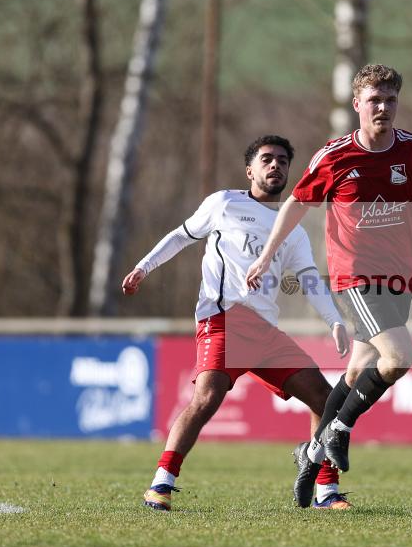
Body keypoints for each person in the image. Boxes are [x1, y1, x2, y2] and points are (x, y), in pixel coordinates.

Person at [245, 64, 412, 479]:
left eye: (390, 99)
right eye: (374, 100)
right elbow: (298, 203)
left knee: (360, 369)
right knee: (399, 357)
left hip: (400, 279)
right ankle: (338, 430)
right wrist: (268, 254)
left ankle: (311, 453)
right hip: (355, 276)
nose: (383, 107)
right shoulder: (335, 156)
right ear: (357, 103)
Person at [122, 135, 353, 511]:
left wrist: (334, 322)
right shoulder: (224, 203)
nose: (275, 165)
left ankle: (325, 490)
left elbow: (310, 278)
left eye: (282, 160)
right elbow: (181, 237)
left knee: (325, 400)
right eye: (267, 159)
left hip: (265, 332)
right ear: (250, 170)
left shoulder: (292, 227)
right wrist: (143, 267)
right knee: (207, 397)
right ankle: (160, 483)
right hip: (224, 320)